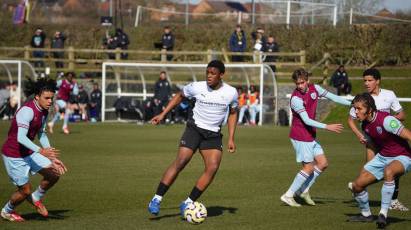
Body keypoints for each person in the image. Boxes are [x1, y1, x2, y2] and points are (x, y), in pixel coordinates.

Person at [147, 60, 238, 217]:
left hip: (213, 134)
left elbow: (233, 112)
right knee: (181, 162)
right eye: (207, 72)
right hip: (194, 129)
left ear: (221, 75)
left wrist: (231, 138)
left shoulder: (231, 92)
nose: (209, 76)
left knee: (213, 167)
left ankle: (188, 202)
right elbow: (179, 96)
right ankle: (156, 199)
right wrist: (163, 114)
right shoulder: (196, 87)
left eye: (213, 73)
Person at [280, 68, 351, 207]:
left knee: (323, 163)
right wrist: (327, 126)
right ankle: (288, 195)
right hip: (300, 135)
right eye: (297, 83)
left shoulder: (315, 88)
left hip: (310, 134)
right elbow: (306, 120)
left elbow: (334, 97)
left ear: (308, 80)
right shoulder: (296, 99)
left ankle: (304, 190)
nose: (300, 86)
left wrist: (352, 102)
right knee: (308, 167)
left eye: (302, 82)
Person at [1, 77, 67, 222]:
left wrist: (52, 157)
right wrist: (40, 151)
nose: (50, 101)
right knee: (25, 190)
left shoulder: (43, 111)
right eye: (47, 98)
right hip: (14, 154)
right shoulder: (27, 111)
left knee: (54, 174)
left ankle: (35, 198)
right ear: (37, 96)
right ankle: (6, 211)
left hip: (28, 152)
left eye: (52, 98)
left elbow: (41, 133)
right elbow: (21, 138)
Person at [347, 68, 408, 211]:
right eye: (365, 81)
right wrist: (359, 134)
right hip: (371, 139)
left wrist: (387, 122)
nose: (367, 83)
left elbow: (402, 115)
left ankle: (393, 200)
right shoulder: (362, 99)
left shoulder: (389, 95)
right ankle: (361, 194)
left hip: (388, 138)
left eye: (370, 80)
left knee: (393, 170)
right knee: (369, 167)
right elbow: (351, 120)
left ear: (378, 81)